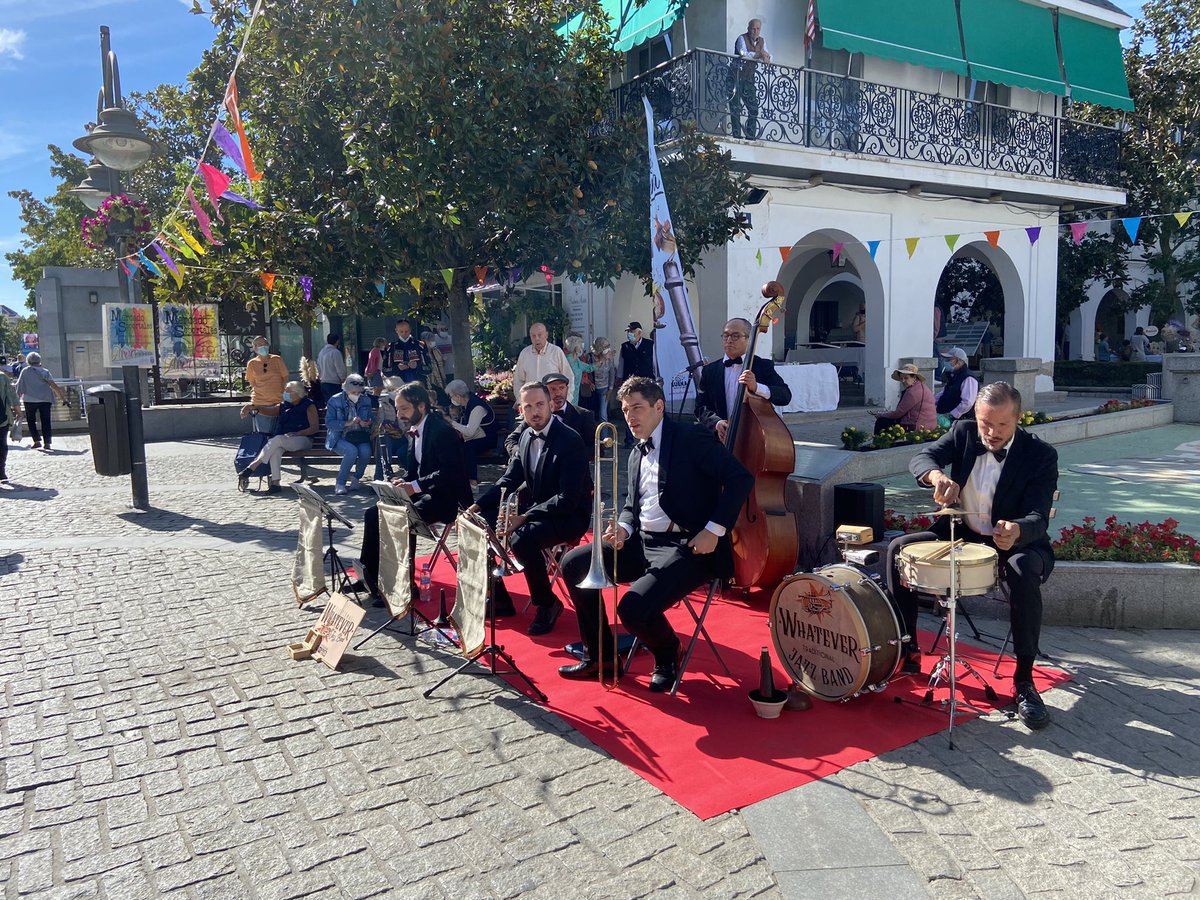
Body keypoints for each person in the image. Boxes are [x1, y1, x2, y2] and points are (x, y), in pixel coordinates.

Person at [559, 377, 754, 690]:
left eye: (637, 408)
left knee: (632, 609)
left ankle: (667, 653)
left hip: (688, 546)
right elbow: (630, 505)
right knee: (573, 563)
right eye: (625, 411)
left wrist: (713, 530)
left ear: (659, 407)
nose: (630, 417)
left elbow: (740, 478)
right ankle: (603, 656)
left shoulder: (691, 437)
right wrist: (622, 528)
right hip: (641, 542)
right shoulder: (636, 451)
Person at [886, 382, 1058, 731]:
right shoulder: (964, 432)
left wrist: (1018, 530)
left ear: (1018, 419)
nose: (992, 433)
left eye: (1002, 425)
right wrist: (935, 475)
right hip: (961, 532)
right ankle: (908, 650)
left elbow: (1039, 517)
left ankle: (1024, 681)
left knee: (1023, 572)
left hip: (1016, 542)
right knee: (897, 550)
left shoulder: (1040, 454)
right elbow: (922, 457)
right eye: (985, 423)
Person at [469, 381, 592, 635]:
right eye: (528, 407)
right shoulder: (525, 436)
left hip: (570, 515)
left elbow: (568, 498)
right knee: (479, 525)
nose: (535, 411)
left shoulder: (570, 440)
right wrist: (479, 505)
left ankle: (547, 603)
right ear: (521, 411)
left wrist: (523, 517)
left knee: (521, 539)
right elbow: (509, 480)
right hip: (538, 509)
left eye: (539, 405)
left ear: (550, 405)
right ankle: (499, 595)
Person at [359, 381, 472, 596]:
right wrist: (401, 482)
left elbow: (450, 473)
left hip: (447, 498)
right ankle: (370, 576)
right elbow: (416, 472)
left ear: (421, 407)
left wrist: (415, 486)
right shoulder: (415, 430)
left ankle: (405, 584)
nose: (399, 413)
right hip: (425, 493)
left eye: (404, 408)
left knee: (402, 518)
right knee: (373, 513)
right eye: (398, 408)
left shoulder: (441, 431)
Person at [695, 318, 792, 441]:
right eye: (725, 336)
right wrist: (717, 423)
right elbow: (700, 407)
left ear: (749, 339)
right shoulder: (710, 370)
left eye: (735, 336)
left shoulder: (762, 366)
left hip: (755, 440)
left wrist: (757, 387)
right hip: (720, 441)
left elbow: (785, 396)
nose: (729, 340)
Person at [238, 381, 319, 494]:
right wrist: (252, 407)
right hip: (284, 440)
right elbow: (270, 411)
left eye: (288, 391)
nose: (284, 393)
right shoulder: (285, 404)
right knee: (275, 450)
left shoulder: (309, 405)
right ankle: (276, 484)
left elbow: (314, 428)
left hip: (304, 439)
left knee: (277, 439)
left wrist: (298, 433)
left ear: (297, 393)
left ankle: (253, 466)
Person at [504, 372, 595, 461]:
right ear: (545, 392)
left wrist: (568, 456)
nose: (558, 393)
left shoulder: (584, 415)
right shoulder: (537, 415)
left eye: (561, 388)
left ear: (567, 389)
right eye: (553, 389)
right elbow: (511, 440)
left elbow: (595, 449)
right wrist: (521, 455)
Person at [325, 374, 374, 494]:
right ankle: (340, 483)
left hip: (359, 435)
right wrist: (348, 423)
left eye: (359, 392)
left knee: (366, 452)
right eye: (353, 392)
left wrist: (367, 423)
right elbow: (329, 423)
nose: (356, 395)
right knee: (351, 451)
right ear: (346, 389)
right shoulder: (335, 400)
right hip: (339, 437)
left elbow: (371, 418)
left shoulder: (365, 400)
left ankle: (356, 478)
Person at [15, 352, 70, 452]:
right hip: (45, 399)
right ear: (39, 360)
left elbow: (19, 387)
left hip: (29, 400)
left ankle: (36, 440)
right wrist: (63, 399)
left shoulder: (25, 371)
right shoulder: (45, 372)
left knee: (31, 421)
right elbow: (54, 386)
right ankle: (47, 443)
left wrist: (16, 402)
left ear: (28, 361)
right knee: (46, 421)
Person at [445, 379, 495, 484]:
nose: (451, 399)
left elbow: (470, 431)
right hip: (478, 436)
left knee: (467, 448)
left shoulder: (476, 406)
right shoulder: (467, 403)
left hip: (488, 438)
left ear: (458, 396)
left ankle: (472, 481)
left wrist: (451, 422)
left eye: (451, 396)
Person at [616, 321, 657, 446]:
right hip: (630, 383)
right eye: (628, 332)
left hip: (647, 382)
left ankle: (649, 435)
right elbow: (621, 365)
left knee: (646, 408)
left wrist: (657, 379)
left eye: (632, 331)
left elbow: (655, 363)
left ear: (639, 332)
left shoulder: (650, 345)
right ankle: (629, 439)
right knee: (629, 409)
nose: (629, 334)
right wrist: (619, 381)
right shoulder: (625, 347)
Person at [730, 18, 770, 140]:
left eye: (758, 29)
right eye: (753, 28)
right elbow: (744, 53)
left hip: (749, 78)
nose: (755, 31)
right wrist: (760, 55)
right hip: (735, 76)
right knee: (735, 107)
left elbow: (768, 54)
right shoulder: (742, 38)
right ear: (748, 28)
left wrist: (766, 56)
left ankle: (750, 136)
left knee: (753, 108)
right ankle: (737, 135)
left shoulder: (762, 41)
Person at [240, 336, 290, 434]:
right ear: (254, 348)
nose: (263, 347)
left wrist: (283, 394)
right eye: (260, 345)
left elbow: (285, 378)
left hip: (278, 402)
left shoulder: (277, 359)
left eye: (265, 344)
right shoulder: (252, 363)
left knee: (279, 434)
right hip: (260, 403)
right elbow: (252, 383)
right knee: (264, 434)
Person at [513, 322, 573, 399]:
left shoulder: (556, 352)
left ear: (546, 335)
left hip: (552, 402)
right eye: (533, 336)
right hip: (531, 403)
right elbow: (518, 380)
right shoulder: (525, 354)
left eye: (540, 335)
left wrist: (566, 400)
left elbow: (569, 377)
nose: (537, 338)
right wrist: (520, 400)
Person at [873, 364, 937, 435]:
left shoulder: (912, 392)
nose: (903, 381)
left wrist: (881, 415)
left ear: (914, 378)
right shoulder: (921, 387)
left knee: (881, 421)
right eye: (901, 378)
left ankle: (879, 442)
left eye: (906, 378)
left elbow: (898, 413)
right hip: (929, 425)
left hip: (917, 426)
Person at [935, 347, 978, 424]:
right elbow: (944, 392)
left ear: (959, 361)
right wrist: (931, 401)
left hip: (960, 421)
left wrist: (951, 414)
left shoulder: (968, 378)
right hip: (947, 416)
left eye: (950, 360)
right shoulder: (954, 376)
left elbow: (967, 402)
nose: (947, 362)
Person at [317, 333, 348, 406]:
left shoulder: (321, 352)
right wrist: (343, 378)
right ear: (337, 341)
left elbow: (318, 366)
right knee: (337, 406)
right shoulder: (335, 352)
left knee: (329, 406)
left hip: (323, 382)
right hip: (333, 383)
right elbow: (339, 367)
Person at [564, 333, 594, 407]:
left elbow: (588, 368)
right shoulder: (567, 361)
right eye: (581, 346)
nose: (582, 348)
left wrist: (600, 360)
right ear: (576, 348)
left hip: (575, 395)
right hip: (568, 395)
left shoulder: (577, 360)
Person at [0, 364, 19, 482]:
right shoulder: (2, 377)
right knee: (1, 444)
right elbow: (12, 396)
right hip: (2, 417)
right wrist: (19, 412)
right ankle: (1, 470)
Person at [591, 338, 615, 423]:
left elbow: (612, 372)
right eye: (606, 346)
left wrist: (610, 389)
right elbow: (587, 371)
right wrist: (590, 382)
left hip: (604, 388)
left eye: (608, 346)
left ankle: (604, 435)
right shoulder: (590, 357)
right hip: (592, 389)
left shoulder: (609, 358)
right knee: (591, 413)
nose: (608, 348)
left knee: (603, 414)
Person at [420, 330, 448, 405]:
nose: (432, 342)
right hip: (430, 381)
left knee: (444, 401)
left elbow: (441, 363)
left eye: (433, 340)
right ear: (424, 341)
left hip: (441, 379)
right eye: (430, 340)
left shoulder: (436, 351)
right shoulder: (421, 352)